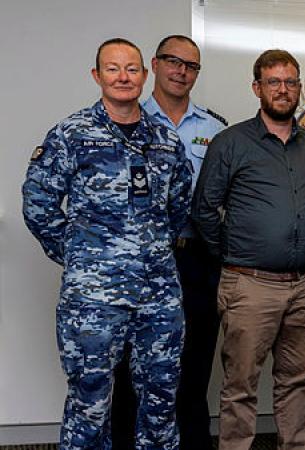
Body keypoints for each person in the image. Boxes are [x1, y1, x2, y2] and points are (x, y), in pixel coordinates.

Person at [22, 38, 192, 449]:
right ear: (97, 76)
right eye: (113, 69)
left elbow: (179, 205)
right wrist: (81, 254)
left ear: (145, 75)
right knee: (90, 404)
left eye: (132, 69)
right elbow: (38, 202)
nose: (123, 77)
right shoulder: (71, 134)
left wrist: (146, 250)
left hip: (158, 296)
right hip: (93, 300)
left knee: (161, 401)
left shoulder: (165, 141)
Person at [192, 49, 305, 450]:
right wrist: (236, 257)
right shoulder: (230, 142)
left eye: (290, 82)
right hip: (249, 284)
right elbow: (203, 211)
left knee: (297, 380)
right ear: (257, 88)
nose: (283, 90)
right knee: (240, 387)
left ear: (299, 87)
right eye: (274, 82)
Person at [110, 34, 227, 450]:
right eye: (173, 61)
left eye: (191, 65)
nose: (181, 71)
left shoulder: (216, 129)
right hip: (139, 261)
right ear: (153, 66)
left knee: (194, 367)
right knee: (130, 370)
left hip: (196, 260)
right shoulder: (125, 119)